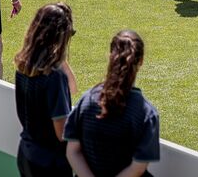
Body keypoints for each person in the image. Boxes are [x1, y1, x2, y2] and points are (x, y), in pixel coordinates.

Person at [65, 30, 160, 177]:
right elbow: (138, 167)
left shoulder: (87, 100)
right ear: (141, 61)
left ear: (110, 57)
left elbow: (72, 151)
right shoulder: (146, 113)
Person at [14, 3, 78, 177]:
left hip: (27, 153)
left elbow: (73, 87)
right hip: (50, 163)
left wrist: (58, 54)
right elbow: (61, 132)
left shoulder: (24, 65)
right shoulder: (54, 76)